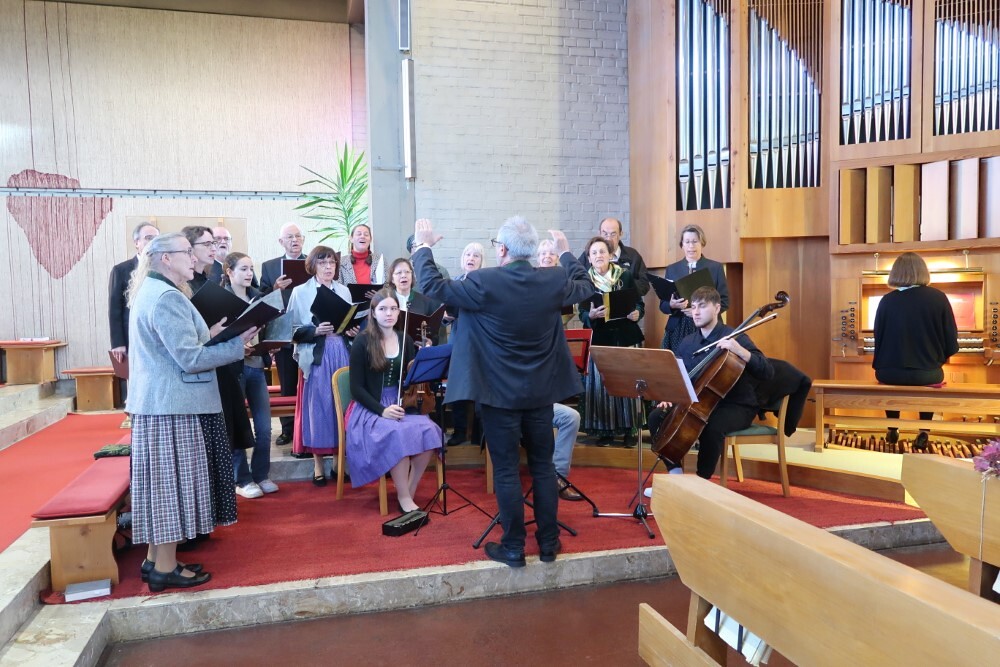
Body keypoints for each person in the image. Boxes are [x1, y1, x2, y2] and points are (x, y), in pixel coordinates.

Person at [413, 216, 595, 567]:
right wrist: (566, 253)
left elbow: (433, 284)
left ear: (502, 250)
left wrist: (423, 246)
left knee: (508, 470)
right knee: (543, 467)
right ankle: (548, 543)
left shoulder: (483, 282)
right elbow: (585, 285)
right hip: (540, 394)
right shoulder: (553, 279)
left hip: (498, 396)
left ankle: (513, 547)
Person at [126, 233, 257, 592]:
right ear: (166, 258)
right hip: (173, 406)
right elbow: (190, 358)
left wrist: (214, 334)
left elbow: (176, 347)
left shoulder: (154, 291)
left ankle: (155, 560)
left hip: (162, 403)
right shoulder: (167, 297)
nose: (195, 258)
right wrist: (236, 345)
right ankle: (164, 569)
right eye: (187, 252)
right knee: (172, 487)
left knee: (163, 487)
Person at [647, 287, 773, 480]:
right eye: (694, 307)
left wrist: (740, 351)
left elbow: (767, 371)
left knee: (711, 426)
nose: (696, 312)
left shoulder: (735, 337)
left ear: (717, 308)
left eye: (703, 306)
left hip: (735, 405)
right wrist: (670, 396)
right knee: (657, 416)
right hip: (698, 402)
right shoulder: (688, 342)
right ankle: (675, 474)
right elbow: (680, 376)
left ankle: (701, 480)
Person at [181, 225, 254, 527]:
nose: (214, 249)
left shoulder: (208, 281)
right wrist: (212, 334)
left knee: (225, 434)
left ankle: (215, 510)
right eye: (207, 244)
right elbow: (189, 341)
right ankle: (206, 512)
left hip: (220, 367)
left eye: (215, 244)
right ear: (189, 249)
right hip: (200, 371)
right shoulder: (184, 286)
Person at [347, 289, 442, 512]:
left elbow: (411, 378)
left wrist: (423, 358)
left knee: (430, 430)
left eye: (393, 309)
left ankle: (409, 489)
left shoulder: (405, 339)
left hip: (401, 402)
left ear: (399, 312)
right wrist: (382, 410)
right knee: (397, 434)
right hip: (371, 406)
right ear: (373, 313)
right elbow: (356, 388)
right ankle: (403, 497)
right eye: (383, 309)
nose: (388, 313)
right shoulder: (362, 342)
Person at [872, 252, 959, 449]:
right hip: (926, 374)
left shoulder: (886, 301)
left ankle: (893, 427)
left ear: (896, 273)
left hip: (889, 373)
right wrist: (935, 360)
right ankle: (923, 431)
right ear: (922, 272)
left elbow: (879, 337)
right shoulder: (938, 298)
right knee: (931, 376)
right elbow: (951, 341)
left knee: (893, 380)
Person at [287, 246, 358, 485]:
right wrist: (315, 330)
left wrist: (351, 330)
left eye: (332, 263)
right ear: (313, 265)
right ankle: (318, 465)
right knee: (318, 406)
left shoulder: (344, 291)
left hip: (341, 351)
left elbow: (349, 321)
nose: (328, 267)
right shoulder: (300, 292)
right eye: (323, 263)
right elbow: (291, 330)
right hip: (317, 354)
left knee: (343, 404)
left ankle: (339, 463)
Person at [578, 236, 645, 446]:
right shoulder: (584, 281)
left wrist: (637, 312)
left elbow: (639, 304)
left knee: (628, 383)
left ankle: (630, 431)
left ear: (610, 255)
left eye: (602, 251)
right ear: (589, 258)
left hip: (626, 336)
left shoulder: (624, 275)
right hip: (599, 338)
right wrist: (590, 316)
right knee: (602, 387)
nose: (598, 255)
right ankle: (605, 431)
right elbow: (581, 312)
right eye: (594, 253)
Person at [223, 252, 278, 498]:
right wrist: (235, 345)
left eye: (251, 269)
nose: (249, 274)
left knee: (264, 427)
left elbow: (267, 329)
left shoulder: (258, 297)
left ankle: (261, 474)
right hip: (233, 368)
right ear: (229, 272)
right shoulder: (221, 300)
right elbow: (215, 335)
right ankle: (243, 479)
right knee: (238, 426)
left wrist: (271, 344)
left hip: (256, 365)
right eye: (243, 269)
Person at [260, 223, 306, 446]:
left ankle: (307, 428)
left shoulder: (314, 263)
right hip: (283, 333)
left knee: (310, 383)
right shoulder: (269, 267)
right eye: (289, 237)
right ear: (281, 242)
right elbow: (260, 300)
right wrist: (275, 289)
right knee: (287, 383)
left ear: (303, 240)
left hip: (308, 330)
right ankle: (287, 430)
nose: (294, 240)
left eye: (298, 236)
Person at [108, 221, 159, 406]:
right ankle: (133, 411)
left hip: (156, 333)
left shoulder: (162, 267)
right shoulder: (121, 270)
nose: (153, 242)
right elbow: (115, 308)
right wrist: (118, 343)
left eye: (156, 239)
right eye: (148, 238)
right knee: (135, 378)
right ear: (136, 243)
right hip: (132, 334)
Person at [660, 224, 729, 351]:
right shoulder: (672, 269)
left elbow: (724, 302)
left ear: (702, 243)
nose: (691, 246)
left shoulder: (715, 268)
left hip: (708, 327)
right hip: (678, 327)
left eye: (695, 241)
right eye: (687, 242)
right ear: (682, 245)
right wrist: (672, 305)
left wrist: (700, 313)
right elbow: (663, 305)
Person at [446, 242, 485, 446]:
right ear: (462, 260)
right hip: (458, 339)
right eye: (467, 254)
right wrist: (445, 316)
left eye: (476, 255)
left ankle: (479, 432)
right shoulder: (454, 283)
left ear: (481, 261)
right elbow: (444, 315)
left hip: (480, 341)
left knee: (481, 385)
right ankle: (459, 431)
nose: (471, 258)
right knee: (458, 386)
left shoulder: (486, 284)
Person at [577, 217, 649, 296]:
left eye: (613, 234)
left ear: (620, 234)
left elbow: (644, 285)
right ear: (600, 233)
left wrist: (624, 283)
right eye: (605, 234)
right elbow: (577, 282)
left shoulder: (633, 255)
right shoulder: (588, 255)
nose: (608, 238)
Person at [338, 224, 386, 288]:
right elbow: (337, 287)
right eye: (359, 234)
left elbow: (388, 285)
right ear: (351, 239)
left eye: (366, 234)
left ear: (370, 239)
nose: (362, 236)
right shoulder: (341, 262)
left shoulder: (379, 260)